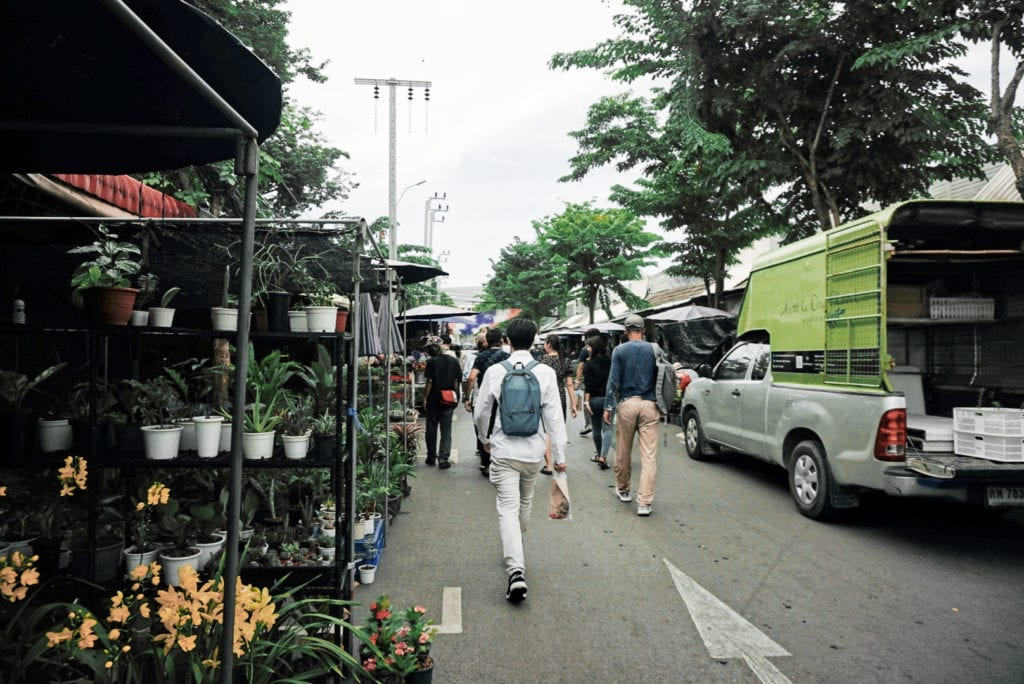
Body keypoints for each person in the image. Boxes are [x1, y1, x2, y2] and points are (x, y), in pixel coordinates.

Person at [474, 317, 567, 603]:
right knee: (524, 503)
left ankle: (516, 570)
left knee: (507, 508)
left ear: (508, 341)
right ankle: (517, 547)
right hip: (534, 452)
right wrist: (559, 458)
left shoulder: (494, 371)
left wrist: (485, 441)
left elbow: (481, 413)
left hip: (503, 451)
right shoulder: (545, 373)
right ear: (535, 339)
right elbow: (555, 418)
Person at [603, 314, 659, 516]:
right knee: (649, 456)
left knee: (623, 451)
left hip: (627, 404)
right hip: (650, 405)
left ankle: (624, 490)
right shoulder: (655, 349)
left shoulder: (619, 350)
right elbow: (663, 376)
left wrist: (608, 407)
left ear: (626, 331)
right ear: (643, 330)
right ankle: (644, 503)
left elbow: (613, 381)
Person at [464, 327, 509, 476]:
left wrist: (466, 397)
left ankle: (486, 463)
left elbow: (472, 377)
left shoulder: (481, 357)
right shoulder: (507, 356)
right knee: (500, 428)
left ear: (487, 342)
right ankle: (500, 460)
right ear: (501, 341)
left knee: (482, 426)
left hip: (483, 397)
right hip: (503, 398)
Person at [422, 335, 463, 469]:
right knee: (446, 431)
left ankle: (431, 456)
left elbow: (429, 382)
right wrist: (456, 397)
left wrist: (425, 398)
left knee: (431, 429)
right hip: (448, 399)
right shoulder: (453, 361)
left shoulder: (431, 362)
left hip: (433, 400)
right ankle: (443, 459)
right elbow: (456, 382)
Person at [538, 336, 577, 474]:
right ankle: (559, 459)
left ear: (549, 345)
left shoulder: (542, 361)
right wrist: (573, 403)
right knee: (558, 429)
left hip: (544, 396)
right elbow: (570, 383)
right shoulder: (565, 361)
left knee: (546, 430)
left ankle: (548, 464)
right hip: (560, 396)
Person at [582, 335, 613, 469]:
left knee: (596, 427)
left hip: (594, 399)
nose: (587, 349)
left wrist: (586, 402)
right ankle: (603, 456)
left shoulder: (588, 364)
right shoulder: (610, 362)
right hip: (608, 398)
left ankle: (599, 454)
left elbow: (588, 384)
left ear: (594, 347)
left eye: (589, 346)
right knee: (607, 427)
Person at [575, 327, 600, 436]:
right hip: (603, 379)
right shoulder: (604, 348)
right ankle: (600, 424)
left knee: (587, 401)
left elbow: (580, 366)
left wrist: (577, 380)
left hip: (589, 379)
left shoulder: (586, 349)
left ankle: (589, 423)